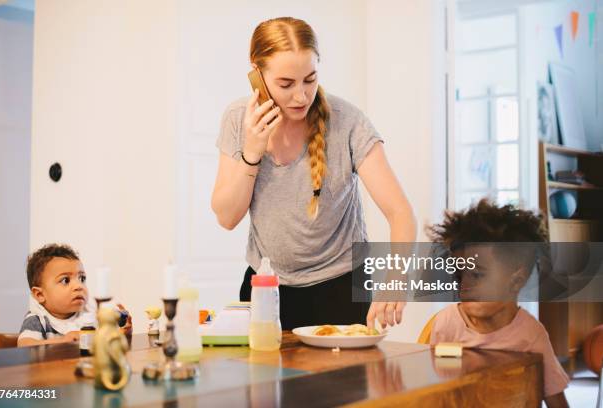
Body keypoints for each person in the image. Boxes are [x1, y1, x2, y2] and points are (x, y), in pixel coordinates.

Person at [211, 17, 416, 330]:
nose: (301, 96)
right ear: (256, 73)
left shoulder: (348, 121)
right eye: (285, 84)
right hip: (266, 289)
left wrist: (396, 280)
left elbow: (400, 212)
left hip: (341, 288)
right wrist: (252, 152)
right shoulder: (239, 119)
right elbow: (226, 217)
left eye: (310, 79)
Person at [427, 199, 569, 408]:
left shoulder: (531, 336)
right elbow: (432, 390)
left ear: (516, 281)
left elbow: (556, 401)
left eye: (476, 275)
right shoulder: (446, 323)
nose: (464, 286)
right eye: (459, 276)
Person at [17, 244, 132, 347]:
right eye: (65, 280)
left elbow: (104, 341)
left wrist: (121, 332)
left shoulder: (89, 314)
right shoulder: (38, 319)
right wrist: (63, 340)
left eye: (82, 279)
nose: (79, 286)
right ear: (40, 294)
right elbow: (24, 345)